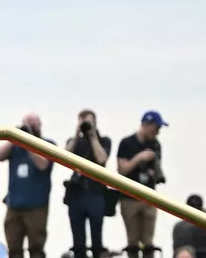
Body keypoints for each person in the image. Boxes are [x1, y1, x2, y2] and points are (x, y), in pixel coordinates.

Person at [0, 113, 54, 258]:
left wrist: (29, 144)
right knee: (13, 248)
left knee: (36, 249)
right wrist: (13, 137)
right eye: (27, 126)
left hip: (36, 206)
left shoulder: (47, 144)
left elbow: (43, 165)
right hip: (14, 205)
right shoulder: (15, 147)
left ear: (39, 126)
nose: (30, 129)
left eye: (33, 126)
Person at [117, 112, 168, 258]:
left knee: (148, 241)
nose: (157, 132)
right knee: (132, 240)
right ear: (146, 125)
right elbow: (122, 169)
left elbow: (157, 171)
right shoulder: (127, 143)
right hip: (129, 198)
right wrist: (139, 158)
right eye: (156, 128)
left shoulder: (155, 144)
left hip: (149, 196)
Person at [63, 110, 113, 258]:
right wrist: (76, 133)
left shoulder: (104, 140)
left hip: (96, 192)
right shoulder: (73, 142)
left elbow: (101, 159)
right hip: (76, 194)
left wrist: (92, 136)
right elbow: (64, 158)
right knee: (78, 240)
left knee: (97, 236)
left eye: (89, 122)